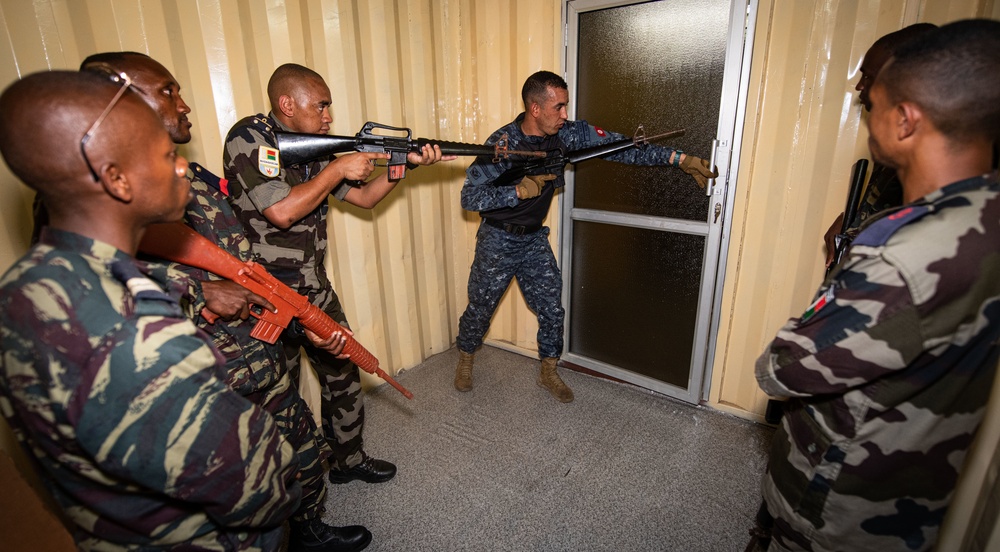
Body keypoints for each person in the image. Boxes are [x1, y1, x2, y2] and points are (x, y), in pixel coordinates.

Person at [76, 52, 370, 552]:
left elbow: (212, 243)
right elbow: (103, 274)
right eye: (168, 91)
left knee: (303, 418)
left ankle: (313, 515)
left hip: (263, 317)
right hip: (216, 351)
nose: (184, 103)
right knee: (245, 472)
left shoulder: (174, 174)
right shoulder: (119, 184)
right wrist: (200, 289)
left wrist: (396, 166)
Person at [0, 70, 301, 550]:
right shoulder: (140, 338)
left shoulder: (26, 285)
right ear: (117, 180)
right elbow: (256, 481)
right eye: (166, 157)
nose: (182, 168)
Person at [750, 19, 1000, 552]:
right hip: (914, 491)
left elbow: (780, 369)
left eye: (874, 103)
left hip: (843, 504)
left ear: (906, 120)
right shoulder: (984, 214)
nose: (867, 109)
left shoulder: (905, 256)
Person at [223, 63, 449, 488]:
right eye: (321, 105)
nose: (329, 116)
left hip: (312, 286)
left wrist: (404, 164)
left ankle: (347, 459)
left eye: (329, 106)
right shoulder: (249, 137)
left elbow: (364, 198)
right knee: (279, 393)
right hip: (265, 295)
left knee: (343, 375)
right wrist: (337, 168)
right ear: (286, 104)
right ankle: (291, 488)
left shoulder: (316, 146)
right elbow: (282, 211)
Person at [454, 70, 717, 402]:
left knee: (552, 309)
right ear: (535, 109)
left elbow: (623, 148)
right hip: (498, 240)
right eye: (558, 107)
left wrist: (678, 159)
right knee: (481, 307)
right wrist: (517, 192)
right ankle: (465, 357)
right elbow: (469, 198)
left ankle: (549, 369)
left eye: (566, 106)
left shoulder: (568, 135)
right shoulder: (503, 145)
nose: (565, 115)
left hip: (534, 240)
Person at [822, 23, 937, 268]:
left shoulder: (931, 157)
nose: (860, 86)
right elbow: (885, 208)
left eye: (869, 76)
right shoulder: (895, 145)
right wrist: (852, 223)